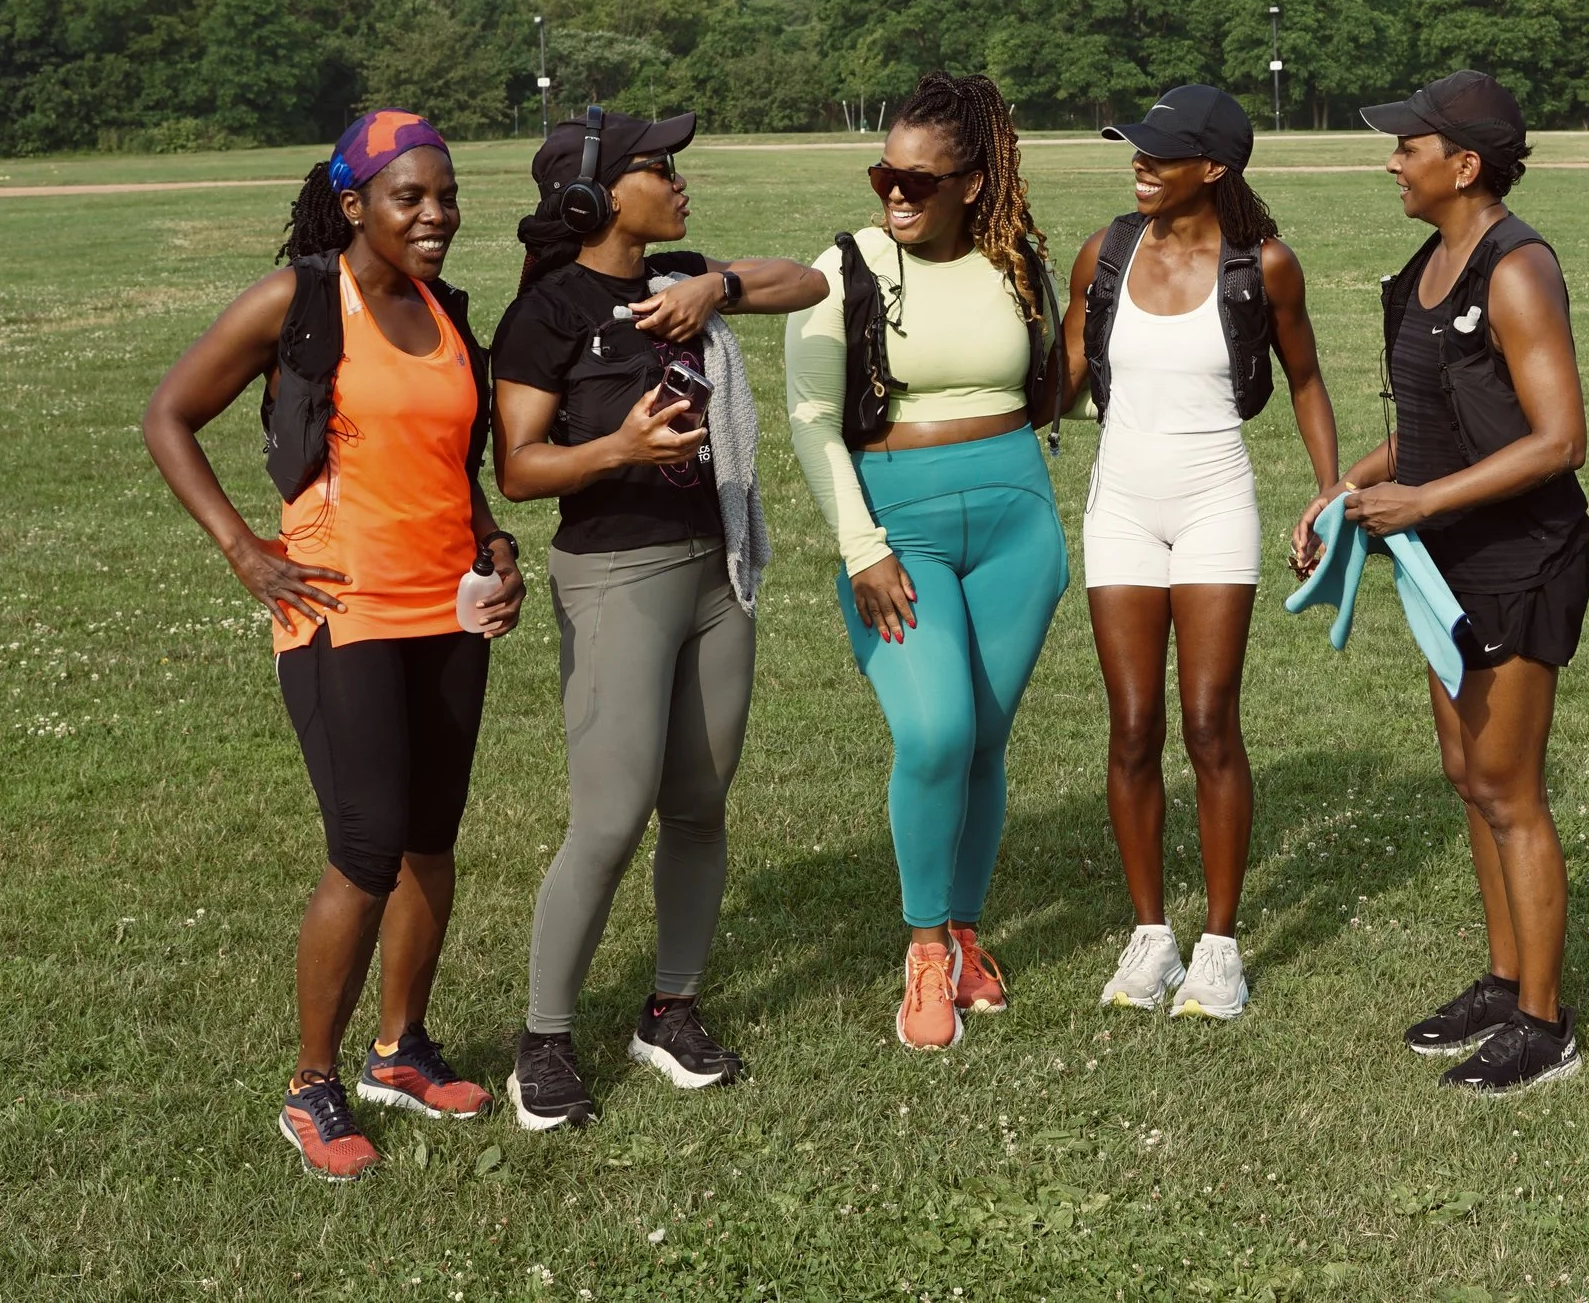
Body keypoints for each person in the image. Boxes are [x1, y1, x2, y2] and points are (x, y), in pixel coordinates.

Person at [143, 111, 525, 1180]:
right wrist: (244, 551)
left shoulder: (447, 311)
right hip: (338, 610)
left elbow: (452, 465)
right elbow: (169, 413)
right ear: (354, 205)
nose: (436, 215)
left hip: (447, 609)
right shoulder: (302, 300)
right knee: (365, 842)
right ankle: (312, 1083)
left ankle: (399, 1050)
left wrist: (496, 545)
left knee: (430, 840)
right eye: (410, 197)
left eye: (446, 195)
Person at [489, 108, 825, 1130]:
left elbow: (806, 281)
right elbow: (517, 467)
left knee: (699, 798)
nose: (678, 179)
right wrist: (619, 451)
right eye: (656, 167)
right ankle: (543, 1036)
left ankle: (668, 1006)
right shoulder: (545, 313)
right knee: (609, 812)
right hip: (615, 573)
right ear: (588, 198)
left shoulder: (677, 271)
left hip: (712, 571)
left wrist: (712, 286)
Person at [1293, 71, 1589, 1095]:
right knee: (1470, 781)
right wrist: (1349, 488)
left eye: (1406, 146)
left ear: (1462, 165)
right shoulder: (1430, 262)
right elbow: (1430, 430)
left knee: (1510, 790)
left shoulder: (1516, 269)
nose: (1390, 160)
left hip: (1519, 559)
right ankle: (1507, 979)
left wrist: (1420, 503)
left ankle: (1545, 1024)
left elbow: (1559, 439)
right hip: (1449, 563)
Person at [783, 72, 1070, 1052]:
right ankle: (920, 946)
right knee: (937, 727)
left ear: (975, 182)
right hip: (895, 535)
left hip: (1017, 528)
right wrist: (862, 548)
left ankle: (965, 934)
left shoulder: (1018, 259)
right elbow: (813, 419)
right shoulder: (846, 266)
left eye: (919, 180)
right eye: (884, 176)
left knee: (985, 738)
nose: (896, 194)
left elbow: (1047, 388)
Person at [1063, 86, 1341, 1019]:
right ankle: (1151, 940)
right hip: (1121, 508)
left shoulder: (1266, 265)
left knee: (1211, 719)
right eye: (1133, 149)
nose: (1137, 162)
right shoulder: (1104, 253)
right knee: (1133, 724)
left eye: (1158, 152)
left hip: (1215, 499)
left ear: (1212, 168)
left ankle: (1218, 948)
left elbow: (1305, 376)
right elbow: (1059, 381)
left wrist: (1329, 489)